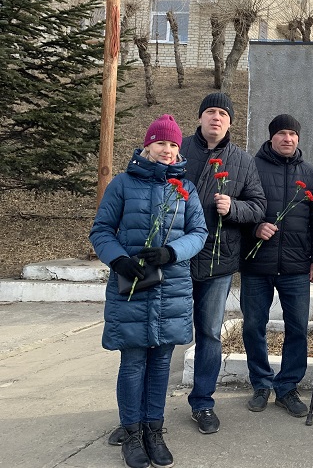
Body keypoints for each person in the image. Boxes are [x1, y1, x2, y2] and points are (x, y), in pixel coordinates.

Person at [91, 114, 207, 468]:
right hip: (132, 287)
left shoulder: (185, 188)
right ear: (147, 145)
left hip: (171, 289)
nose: (167, 150)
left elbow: (199, 233)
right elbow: (101, 230)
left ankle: (154, 431)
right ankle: (132, 433)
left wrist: (172, 252)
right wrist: (119, 260)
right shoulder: (122, 184)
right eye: (161, 143)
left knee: (160, 365)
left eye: (173, 144)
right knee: (132, 363)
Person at [181, 93, 266, 434]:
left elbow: (258, 206)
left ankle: (202, 402)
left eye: (222, 113)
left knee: (210, 334)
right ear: (200, 117)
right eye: (210, 112)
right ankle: (144, 411)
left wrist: (233, 208)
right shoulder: (178, 150)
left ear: (230, 122)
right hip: (177, 259)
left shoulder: (243, 161)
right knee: (162, 334)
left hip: (218, 262)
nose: (216, 117)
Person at [240, 114, 313, 418]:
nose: (287, 139)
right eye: (282, 134)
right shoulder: (251, 167)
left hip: (296, 267)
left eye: (292, 134)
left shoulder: (310, 174)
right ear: (271, 136)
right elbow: (238, 211)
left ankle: (287, 387)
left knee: (298, 328)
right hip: (257, 265)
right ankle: (261, 383)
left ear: (298, 138)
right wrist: (255, 229)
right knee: (253, 326)